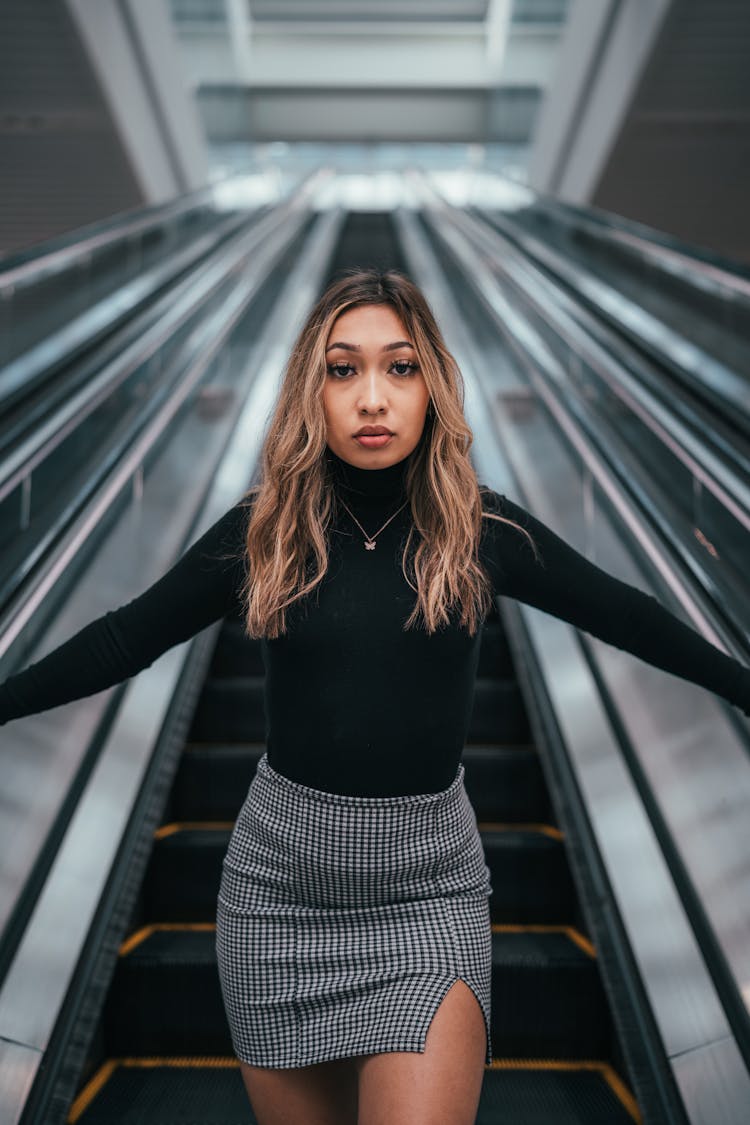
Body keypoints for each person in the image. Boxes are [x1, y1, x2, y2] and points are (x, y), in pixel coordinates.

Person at [1, 269, 748, 1125]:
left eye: (399, 368)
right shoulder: (266, 529)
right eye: (342, 368)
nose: (372, 398)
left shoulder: (480, 529)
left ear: (432, 383)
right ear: (309, 392)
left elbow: (629, 616)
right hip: (277, 893)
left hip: (427, 894)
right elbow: (123, 638)